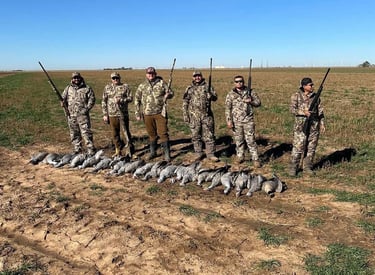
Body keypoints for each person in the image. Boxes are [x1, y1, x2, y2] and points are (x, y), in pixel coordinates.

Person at [134, 67, 173, 162]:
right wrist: (137, 112)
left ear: (155, 73)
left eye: (152, 73)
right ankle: (153, 152)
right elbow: (137, 99)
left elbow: (171, 93)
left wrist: (169, 94)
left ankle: (167, 155)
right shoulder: (142, 85)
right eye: (148, 73)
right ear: (146, 74)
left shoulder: (161, 83)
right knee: (151, 134)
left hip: (160, 113)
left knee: (163, 133)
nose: (150, 75)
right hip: (147, 114)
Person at [289, 77, 325, 176]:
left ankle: (307, 167)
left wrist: (322, 124)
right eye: (310, 85)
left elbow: (320, 112)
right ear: (304, 86)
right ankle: (293, 168)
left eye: (312, 84)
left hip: (314, 127)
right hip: (301, 127)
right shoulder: (296, 96)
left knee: (311, 148)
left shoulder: (316, 97)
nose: (313, 86)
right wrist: (303, 112)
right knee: (298, 147)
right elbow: (292, 109)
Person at [225, 75, 261, 168]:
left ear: (243, 82)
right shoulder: (231, 94)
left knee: (251, 140)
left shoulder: (250, 92)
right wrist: (229, 121)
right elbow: (227, 109)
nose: (239, 83)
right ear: (234, 83)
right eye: (236, 81)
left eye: (240, 81)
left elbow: (258, 103)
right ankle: (240, 156)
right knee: (239, 140)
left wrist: (251, 101)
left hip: (248, 120)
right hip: (236, 122)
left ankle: (255, 159)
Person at [182, 70, 219, 162]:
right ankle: (198, 152)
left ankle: (210, 154)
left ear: (201, 77)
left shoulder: (207, 87)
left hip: (207, 115)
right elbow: (185, 102)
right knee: (195, 135)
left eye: (199, 76)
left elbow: (215, 98)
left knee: (209, 135)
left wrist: (211, 96)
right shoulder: (189, 88)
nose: (197, 78)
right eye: (195, 76)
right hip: (194, 116)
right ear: (193, 77)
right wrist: (185, 114)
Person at [61, 72, 96, 155]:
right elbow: (63, 98)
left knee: (86, 133)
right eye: (74, 78)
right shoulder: (68, 88)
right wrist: (62, 103)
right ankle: (77, 148)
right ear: (72, 79)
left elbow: (92, 99)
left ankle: (90, 149)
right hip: (71, 115)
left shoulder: (87, 88)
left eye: (77, 78)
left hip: (83, 116)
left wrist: (86, 109)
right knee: (74, 133)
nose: (76, 79)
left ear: (80, 78)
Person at [102, 72, 134, 158]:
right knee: (114, 133)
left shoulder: (125, 87)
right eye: (113, 78)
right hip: (112, 114)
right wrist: (105, 114)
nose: (115, 80)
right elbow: (104, 101)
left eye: (117, 78)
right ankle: (118, 150)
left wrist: (122, 100)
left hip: (123, 114)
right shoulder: (107, 88)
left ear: (120, 78)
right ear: (111, 79)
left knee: (126, 132)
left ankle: (129, 150)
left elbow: (131, 98)